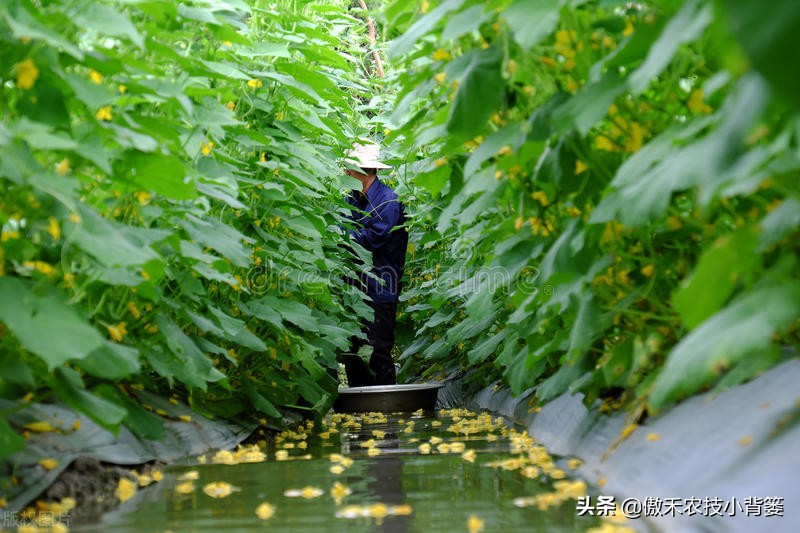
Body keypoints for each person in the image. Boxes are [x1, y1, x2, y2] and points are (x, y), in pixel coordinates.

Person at [340, 141, 408, 387]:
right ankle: (358, 416)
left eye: (349, 168)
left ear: (363, 171)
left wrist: (341, 236)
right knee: (353, 354)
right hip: (354, 289)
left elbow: (370, 241)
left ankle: (386, 415)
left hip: (380, 289)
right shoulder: (352, 200)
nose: (346, 173)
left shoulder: (387, 202)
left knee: (378, 354)